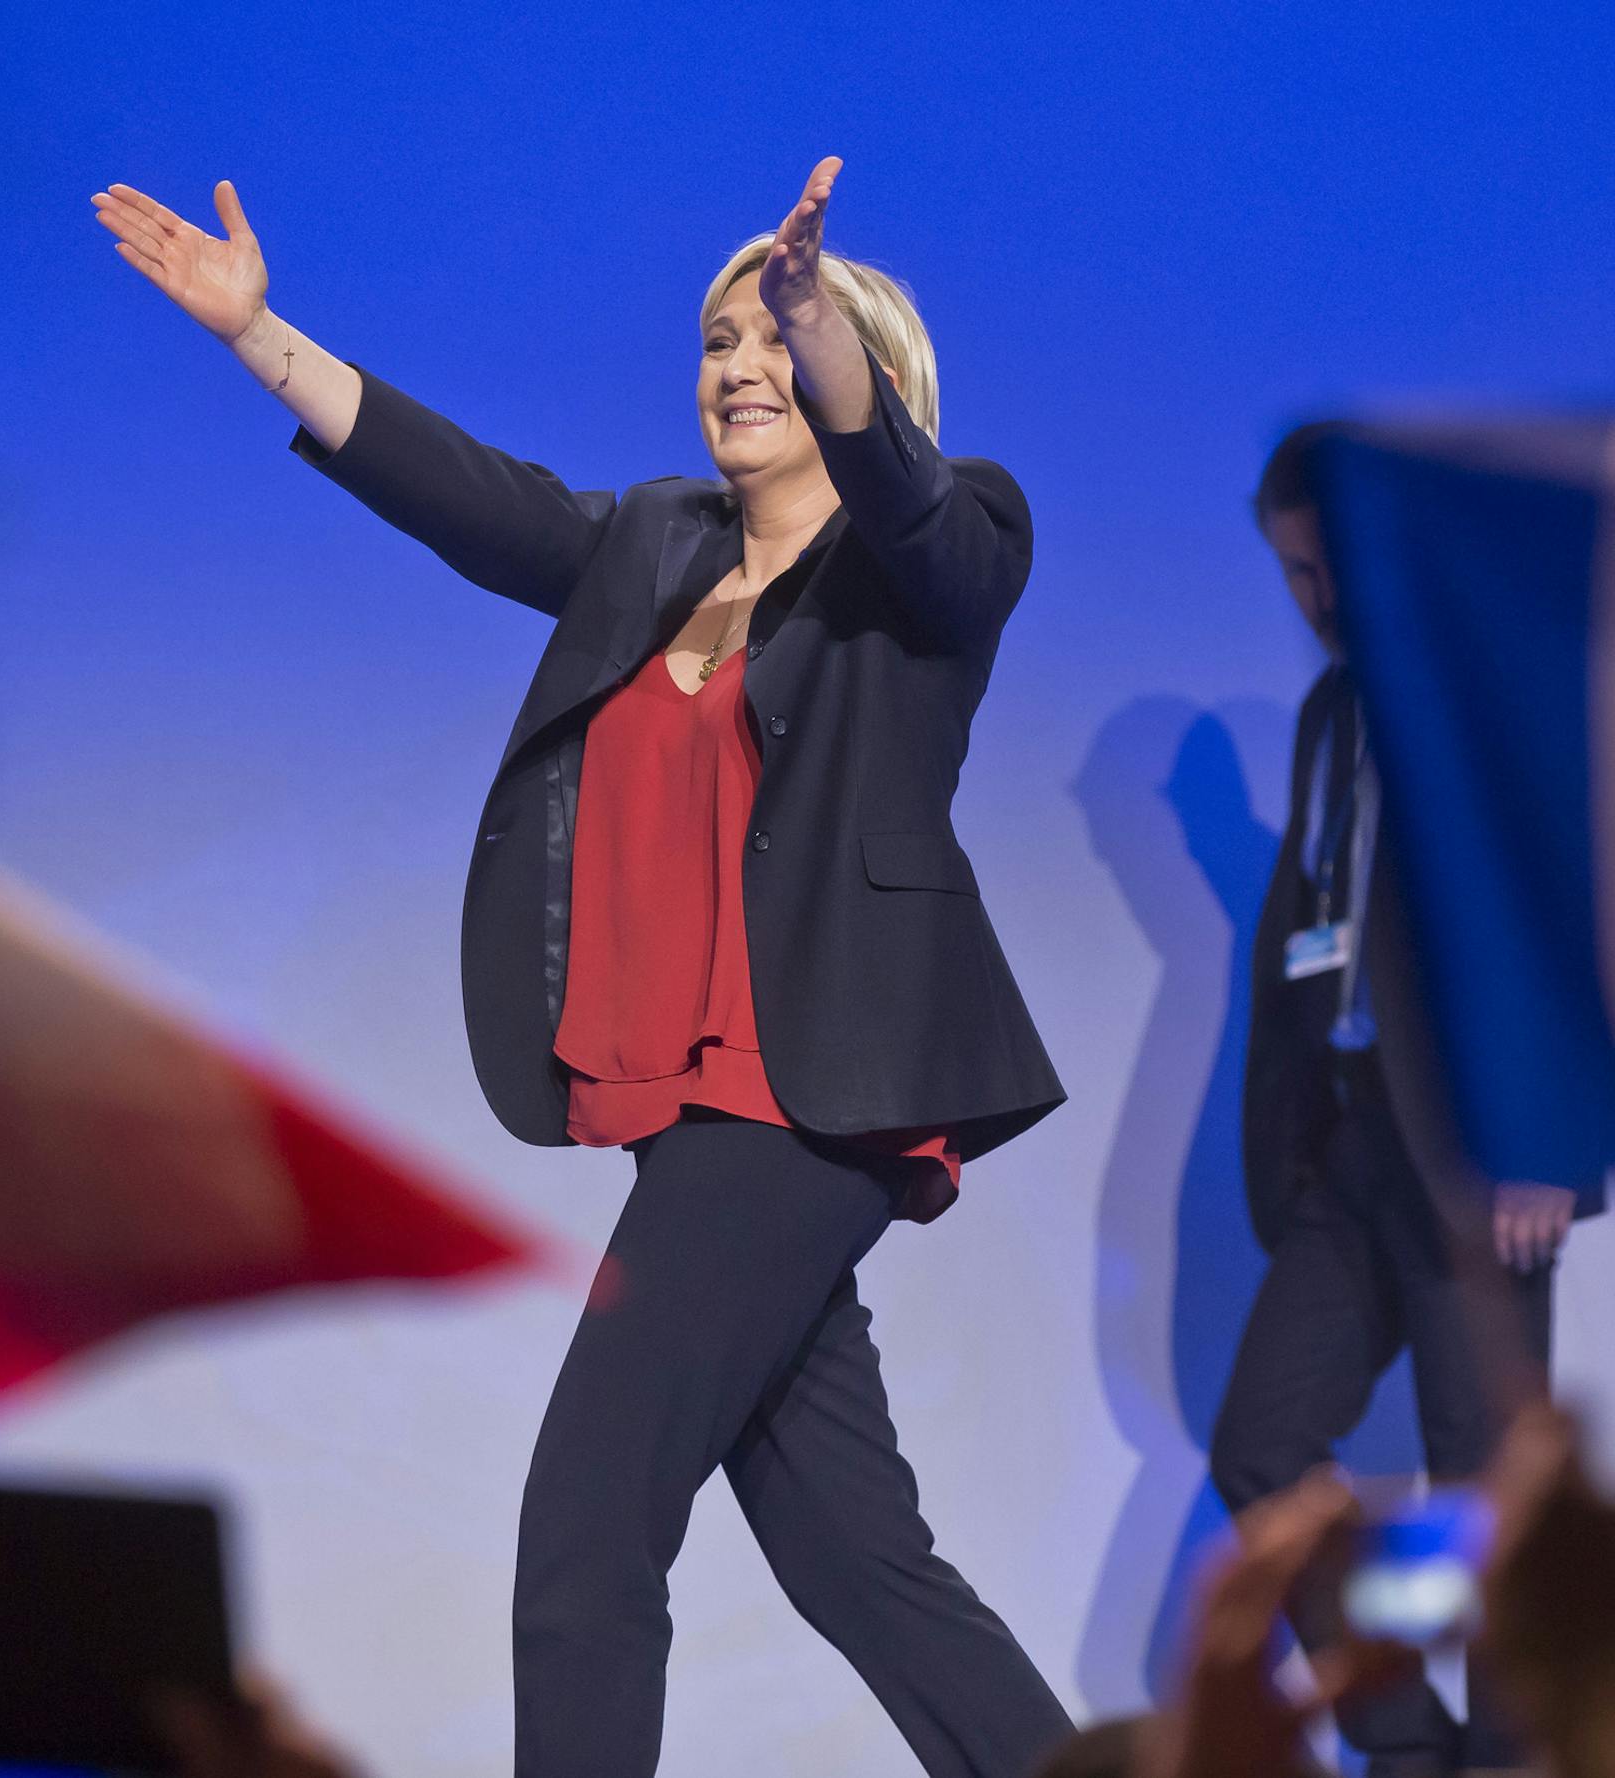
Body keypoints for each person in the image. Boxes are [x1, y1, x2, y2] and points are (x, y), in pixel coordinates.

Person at [92, 154, 1070, 1778]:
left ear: (860, 377)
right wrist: (257, 334)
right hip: (700, 1113)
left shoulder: (941, 552)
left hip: (803, 1092)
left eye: (778, 337)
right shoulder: (657, 546)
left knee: (584, 1539)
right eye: (717, 343)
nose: (739, 367)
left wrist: (822, 325)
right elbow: (472, 496)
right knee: (860, 1565)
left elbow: (921, 511)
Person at [1208, 427, 1606, 1777]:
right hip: (1355, 1151)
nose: (1320, 599)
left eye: (1332, 565)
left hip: (1488, 1153)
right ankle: (1406, 1738)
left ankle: (1515, 1754)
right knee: (1263, 1444)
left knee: (1484, 1487)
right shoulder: (1333, 716)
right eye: (1295, 575)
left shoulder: (1501, 687)